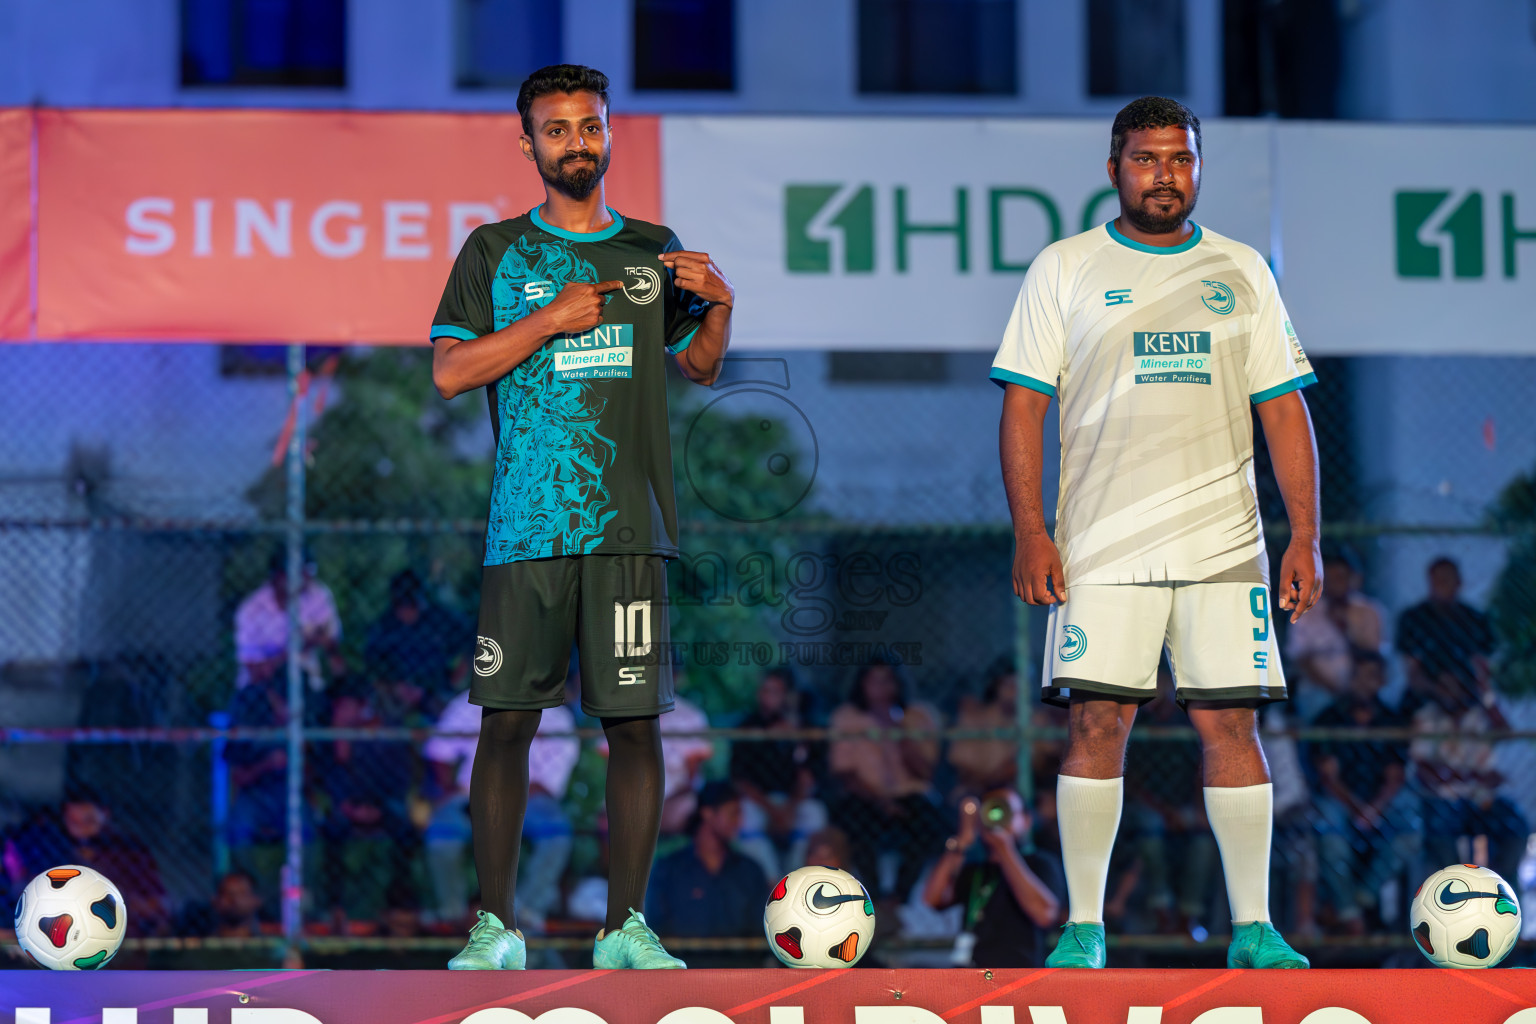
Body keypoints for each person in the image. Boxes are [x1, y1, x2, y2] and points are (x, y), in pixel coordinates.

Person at [992, 96, 1321, 969]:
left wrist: (1305, 537)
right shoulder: (1066, 267)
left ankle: (1253, 929)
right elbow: (1024, 406)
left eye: (1179, 158)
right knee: (1098, 722)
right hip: (1103, 545)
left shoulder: (1242, 267)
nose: (1164, 174)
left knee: (1232, 727)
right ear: (1114, 171)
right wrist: (1032, 529)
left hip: (1225, 546)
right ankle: (1085, 929)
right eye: (1145, 159)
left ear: (1198, 168)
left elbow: (1284, 411)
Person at [427, 63, 734, 971]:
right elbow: (450, 371)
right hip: (526, 527)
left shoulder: (652, 246)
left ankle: (625, 929)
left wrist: (719, 305)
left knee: (633, 726)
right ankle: (496, 928)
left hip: (627, 526)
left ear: (609, 134)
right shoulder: (492, 252)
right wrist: (549, 320)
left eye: (589, 127)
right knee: (507, 724)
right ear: (528, 143)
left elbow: (701, 366)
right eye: (556, 130)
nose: (575, 144)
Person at [422, 683, 579, 931]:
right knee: (443, 831)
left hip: (529, 797)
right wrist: (449, 788)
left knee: (556, 833)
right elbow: (439, 751)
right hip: (471, 793)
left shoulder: (556, 713)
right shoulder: (471, 700)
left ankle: (525, 913)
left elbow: (551, 783)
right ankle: (451, 914)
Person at [1311, 652, 1419, 933]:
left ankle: (1358, 899)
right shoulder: (1330, 717)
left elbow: (1395, 778)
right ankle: (1351, 916)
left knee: (1410, 829)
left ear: (1381, 681)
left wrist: (1373, 810)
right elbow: (1328, 777)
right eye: (1357, 675)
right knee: (1327, 826)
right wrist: (1357, 809)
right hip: (1341, 802)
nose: (1363, 683)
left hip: (1379, 804)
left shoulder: (1391, 720)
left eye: (1370, 676)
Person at [827, 660, 949, 901]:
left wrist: (899, 732)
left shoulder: (918, 716)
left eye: (887, 681)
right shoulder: (847, 718)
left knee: (929, 823)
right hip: (866, 795)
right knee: (854, 821)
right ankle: (873, 894)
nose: (880, 688)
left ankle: (900, 897)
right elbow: (845, 774)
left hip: (909, 795)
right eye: (874, 681)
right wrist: (881, 800)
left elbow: (925, 773)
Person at [1410, 669, 1529, 886]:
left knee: (1515, 825)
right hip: (1443, 798)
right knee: (1439, 828)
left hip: (1481, 798)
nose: (1448, 693)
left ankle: (1497, 886)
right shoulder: (1427, 716)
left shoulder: (1480, 715)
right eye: (1443, 686)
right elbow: (1422, 768)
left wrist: (1486, 691)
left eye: (1454, 686)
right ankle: (1457, 887)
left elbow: (1505, 731)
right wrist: (1465, 775)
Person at [923, 790, 1065, 967]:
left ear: (1026, 821)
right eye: (991, 811)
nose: (998, 818)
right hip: (971, 973)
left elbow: (1045, 914)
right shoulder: (975, 870)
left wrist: (1004, 849)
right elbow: (933, 898)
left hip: (1018, 974)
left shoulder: (1041, 863)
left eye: (1006, 812)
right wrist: (962, 840)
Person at [644, 781, 769, 968]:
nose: (739, 822)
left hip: (739, 976)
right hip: (681, 976)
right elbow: (655, 930)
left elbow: (761, 933)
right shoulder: (668, 870)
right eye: (733, 813)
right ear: (708, 813)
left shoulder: (750, 871)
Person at [730, 666, 827, 879]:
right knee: (743, 816)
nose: (766, 697)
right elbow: (740, 780)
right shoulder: (747, 727)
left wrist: (789, 810)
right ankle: (770, 881)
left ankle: (797, 879)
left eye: (774, 691)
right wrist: (773, 811)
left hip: (794, 803)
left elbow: (809, 777)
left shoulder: (807, 729)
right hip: (760, 801)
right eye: (764, 690)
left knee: (815, 814)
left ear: (789, 696)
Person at [1284, 547, 1389, 721]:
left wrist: (1344, 628)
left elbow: (1373, 657)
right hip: (1319, 689)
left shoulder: (1370, 611)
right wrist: (1334, 690)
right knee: (1314, 703)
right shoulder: (1304, 612)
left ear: (1354, 578)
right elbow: (1300, 659)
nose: (1337, 584)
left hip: (1363, 688)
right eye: (1331, 578)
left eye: (1341, 577)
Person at [235, 550, 345, 692]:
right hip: (263, 688)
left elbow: (331, 641)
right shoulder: (252, 609)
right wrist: (293, 649)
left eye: (310, 571)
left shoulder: (317, 594)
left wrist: (316, 639)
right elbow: (255, 671)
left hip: (309, 683)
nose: (307, 578)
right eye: (301, 572)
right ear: (279, 575)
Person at [1397, 557, 1497, 708]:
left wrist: (1481, 698)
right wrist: (1438, 689)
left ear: (1459, 582)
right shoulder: (1413, 619)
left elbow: (1483, 670)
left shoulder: (1476, 620)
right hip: (1425, 699)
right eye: (1437, 580)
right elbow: (1412, 671)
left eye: (1447, 579)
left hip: (1468, 698)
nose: (1441, 584)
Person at [947, 658, 1021, 797]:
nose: (1016, 693)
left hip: (1012, 793)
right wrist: (988, 782)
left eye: (1024, 686)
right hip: (977, 790)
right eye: (1010, 686)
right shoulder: (974, 718)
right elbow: (962, 765)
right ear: (996, 685)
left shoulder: (1033, 720)